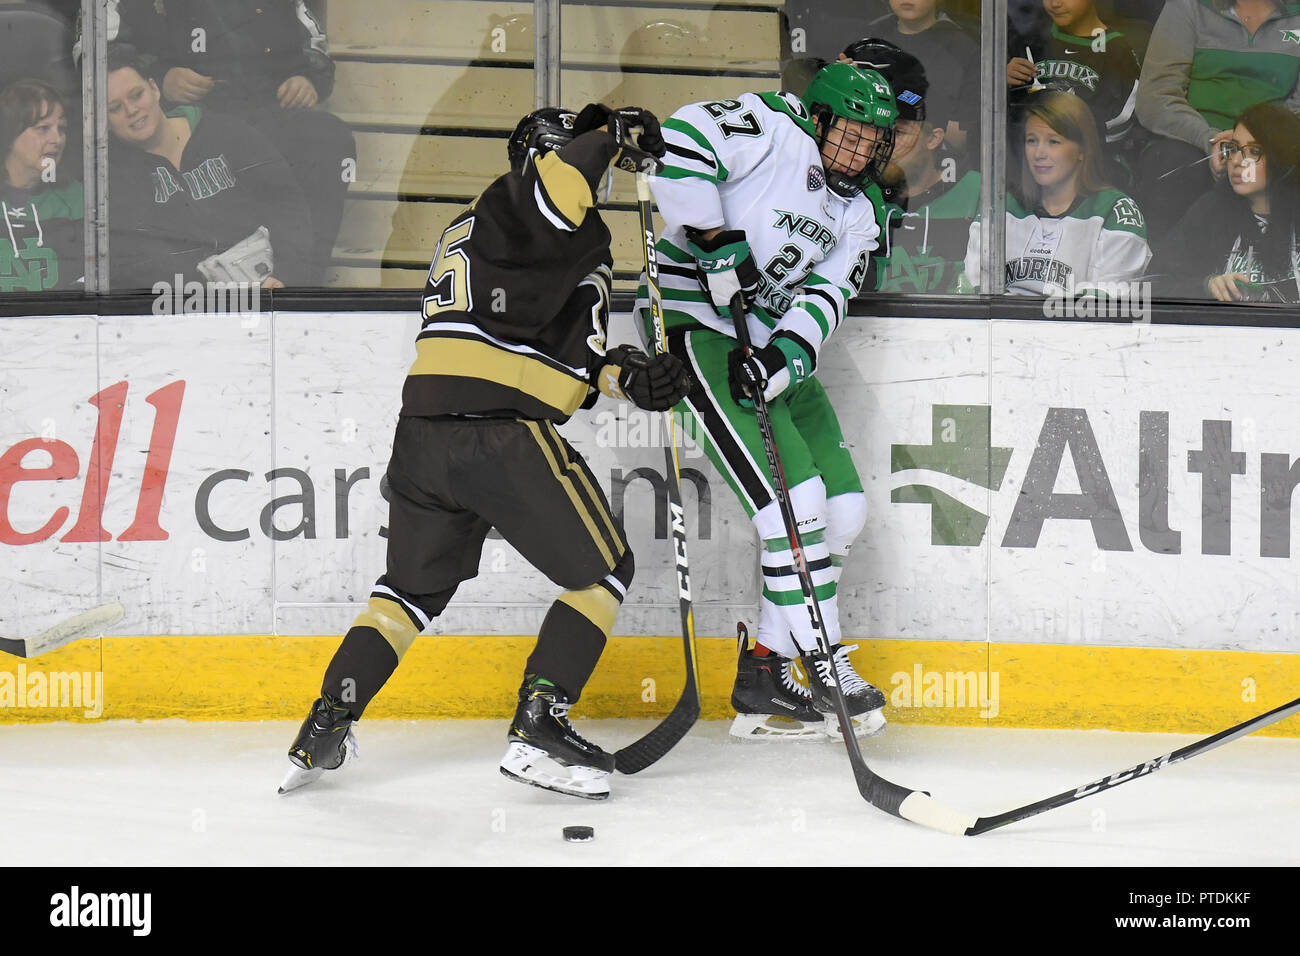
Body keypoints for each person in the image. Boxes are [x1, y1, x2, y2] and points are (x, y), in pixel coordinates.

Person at [281, 105, 690, 800]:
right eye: (578, 162)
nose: (600, 180)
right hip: (497, 432)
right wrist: (610, 136)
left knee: (406, 595)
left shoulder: (503, 231)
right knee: (605, 570)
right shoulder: (535, 204)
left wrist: (628, 379)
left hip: (426, 430)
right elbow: (562, 185)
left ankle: (325, 725)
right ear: (544, 161)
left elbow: (550, 352)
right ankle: (539, 727)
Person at [640, 62, 895, 741]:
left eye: (874, 143)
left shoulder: (861, 213)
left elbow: (826, 298)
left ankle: (763, 672)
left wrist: (784, 361)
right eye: (849, 136)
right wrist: (714, 238)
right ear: (818, 119)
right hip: (699, 328)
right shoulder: (773, 127)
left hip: (768, 349)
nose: (860, 153)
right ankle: (825, 658)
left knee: (842, 511)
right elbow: (679, 141)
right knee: (795, 506)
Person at [79, 0, 355, 284]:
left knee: (328, 139)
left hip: (265, 109)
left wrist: (308, 76)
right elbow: (94, 51)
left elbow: (312, 39)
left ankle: (300, 286)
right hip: (175, 121)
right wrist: (161, 77)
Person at [105, 43, 312, 290]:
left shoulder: (226, 132)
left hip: (272, 282)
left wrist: (286, 277)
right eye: (115, 108)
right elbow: (142, 259)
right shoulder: (117, 177)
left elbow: (288, 207)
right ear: (104, 120)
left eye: (136, 95)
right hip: (196, 304)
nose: (131, 110)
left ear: (154, 89)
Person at [1135, 0, 1300, 238]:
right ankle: (1169, 271)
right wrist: (1212, 141)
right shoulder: (1188, 6)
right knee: (1171, 163)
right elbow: (1155, 97)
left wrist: (1252, 143)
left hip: (1272, 140)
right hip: (1194, 140)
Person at [964, 90, 1151, 297]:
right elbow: (977, 285)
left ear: (1082, 150)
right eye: (1031, 140)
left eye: (1053, 142)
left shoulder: (1115, 211)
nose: (1039, 154)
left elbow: (1102, 302)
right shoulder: (1001, 206)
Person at [842, 38, 980, 294]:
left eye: (900, 132)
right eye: (881, 132)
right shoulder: (850, 195)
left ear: (934, 138)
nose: (885, 144)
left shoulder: (978, 192)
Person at [1153, 102, 1300, 303]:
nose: (1237, 161)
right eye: (1234, 148)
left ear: (1282, 157)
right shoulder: (1210, 211)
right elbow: (1153, 284)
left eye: (1255, 151)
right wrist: (1206, 286)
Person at [1006, 0, 1144, 186]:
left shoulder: (1116, 49)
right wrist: (1001, 83)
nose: (1055, 3)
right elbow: (1005, 116)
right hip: (1029, 163)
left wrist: (1070, 137)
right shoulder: (1030, 40)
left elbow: (1122, 120)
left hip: (1095, 166)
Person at [865, 0, 980, 154]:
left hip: (939, 158)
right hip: (869, 152)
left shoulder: (964, 49)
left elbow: (965, 136)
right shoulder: (868, 40)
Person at [0, 78, 82, 292]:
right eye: (43, 128)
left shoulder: (77, 199)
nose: (57, 139)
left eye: (61, 128)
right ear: (9, 135)